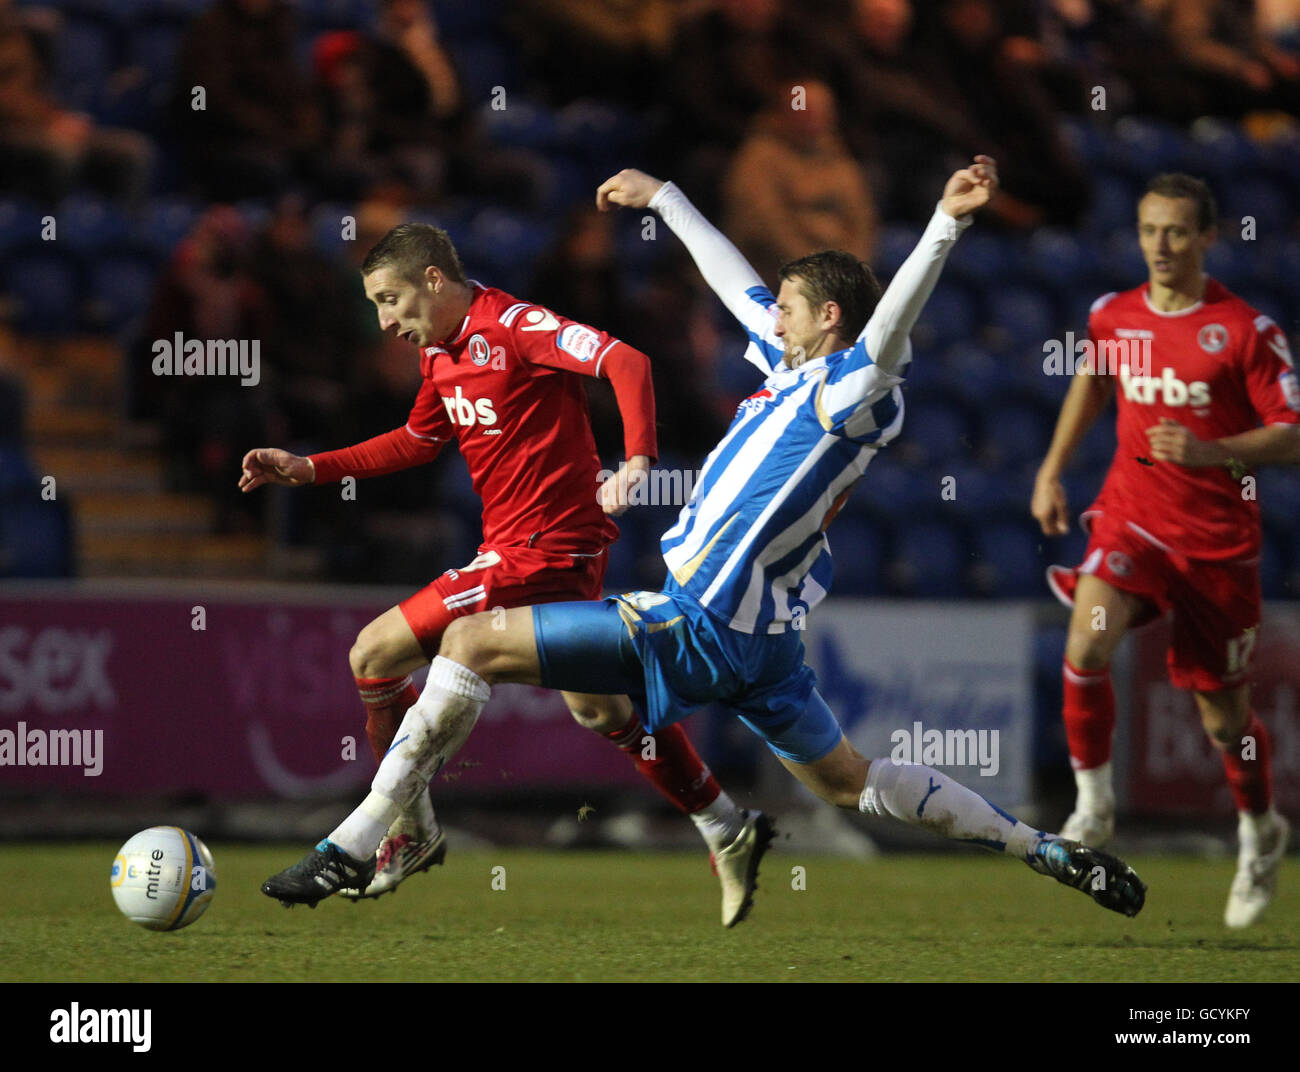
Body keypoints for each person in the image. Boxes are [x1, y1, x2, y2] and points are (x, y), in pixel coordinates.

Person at [263, 157, 1149, 922]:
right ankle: (1042, 850)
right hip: (766, 647)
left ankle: (360, 838)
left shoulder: (850, 390)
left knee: (467, 643)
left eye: (791, 309)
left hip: (698, 622)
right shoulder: (787, 367)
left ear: (830, 320)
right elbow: (736, 284)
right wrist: (668, 200)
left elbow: (890, 328)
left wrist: (943, 228)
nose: (771, 319)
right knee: (846, 778)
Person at [242, 223, 765, 926]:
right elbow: (419, 440)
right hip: (533, 553)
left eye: (390, 298)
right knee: (601, 708)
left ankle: (390, 833)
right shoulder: (441, 353)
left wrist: (637, 459)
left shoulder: (517, 326)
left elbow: (627, 362)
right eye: (375, 305)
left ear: (433, 280)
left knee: (373, 652)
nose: (385, 320)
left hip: (544, 550)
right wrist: (313, 467)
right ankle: (728, 826)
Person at [1031, 172, 1299, 928]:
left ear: (1208, 238)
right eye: (1150, 230)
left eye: (1178, 231)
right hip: (1131, 519)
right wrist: (1052, 469)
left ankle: (1259, 830)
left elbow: (1293, 434)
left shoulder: (1247, 331)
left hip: (1216, 546)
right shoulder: (1114, 316)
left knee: (1224, 725)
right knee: (1086, 644)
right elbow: (1092, 382)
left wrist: (1214, 451)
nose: (1161, 245)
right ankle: (1094, 804)